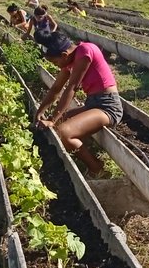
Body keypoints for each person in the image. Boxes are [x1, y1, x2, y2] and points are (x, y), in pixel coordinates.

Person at [34, 32, 123, 176]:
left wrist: (52, 119)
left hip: (108, 106)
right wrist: (40, 111)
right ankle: (88, 157)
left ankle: (97, 169)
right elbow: (56, 88)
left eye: (55, 63)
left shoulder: (85, 51)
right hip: (93, 104)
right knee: (60, 124)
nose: (57, 66)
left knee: (63, 133)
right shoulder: (69, 61)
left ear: (64, 54)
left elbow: (72, 87)